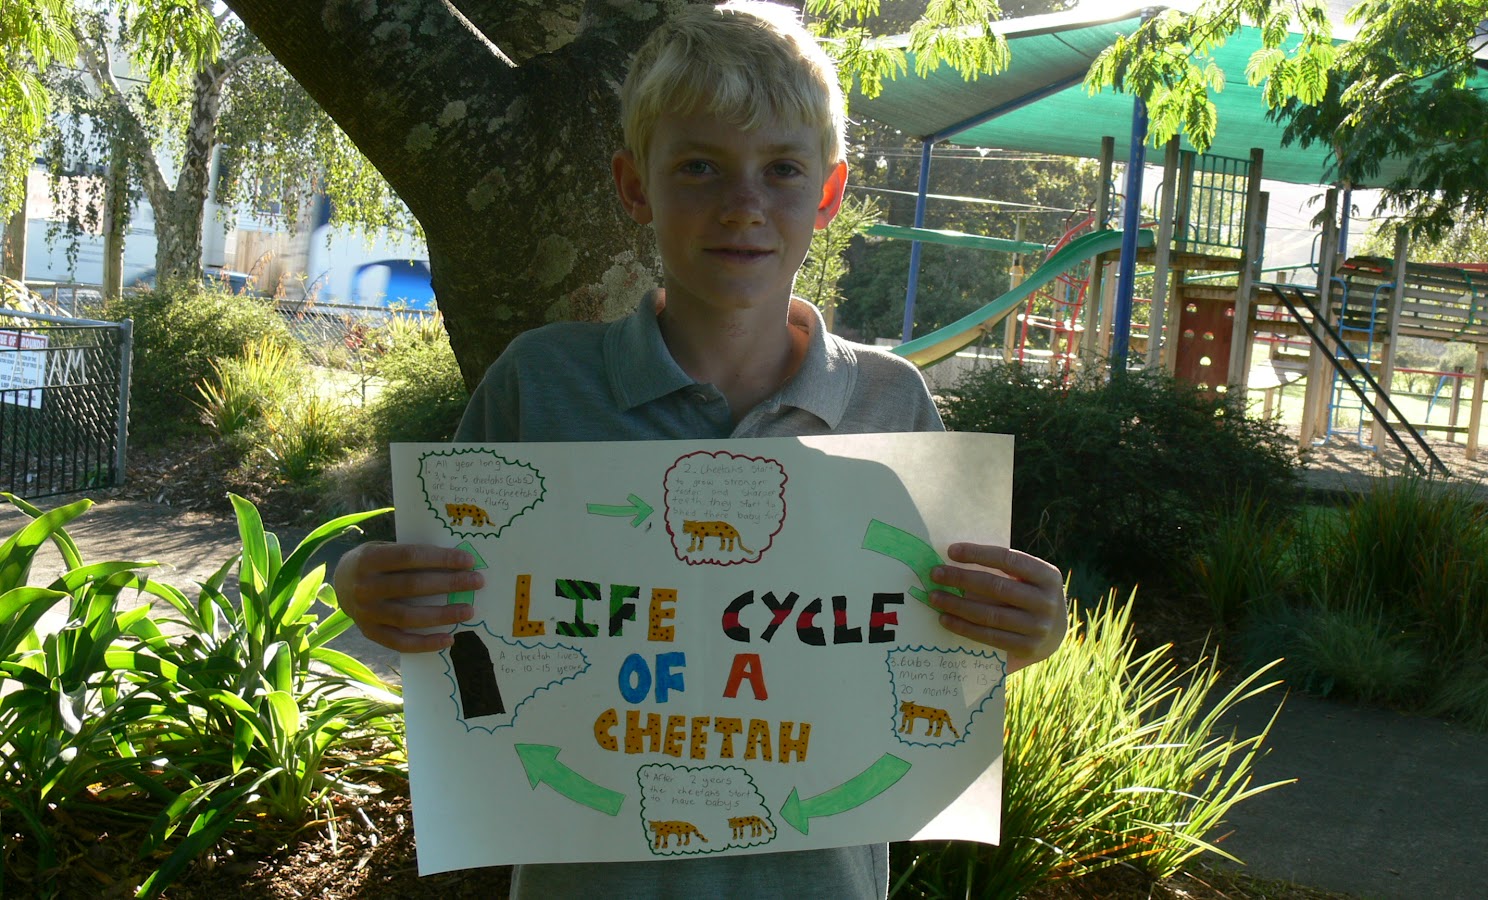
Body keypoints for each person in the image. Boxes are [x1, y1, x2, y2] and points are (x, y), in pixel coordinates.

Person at [332, 3, 1067, 897]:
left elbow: (932, 665)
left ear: (829, 193)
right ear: (633, 185)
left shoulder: (894, 406)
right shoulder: (539, 385)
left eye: (782, 169)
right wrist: (371, 589)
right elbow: (457, 625)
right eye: (699, 167)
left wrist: (1019, 634)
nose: (742, 205)